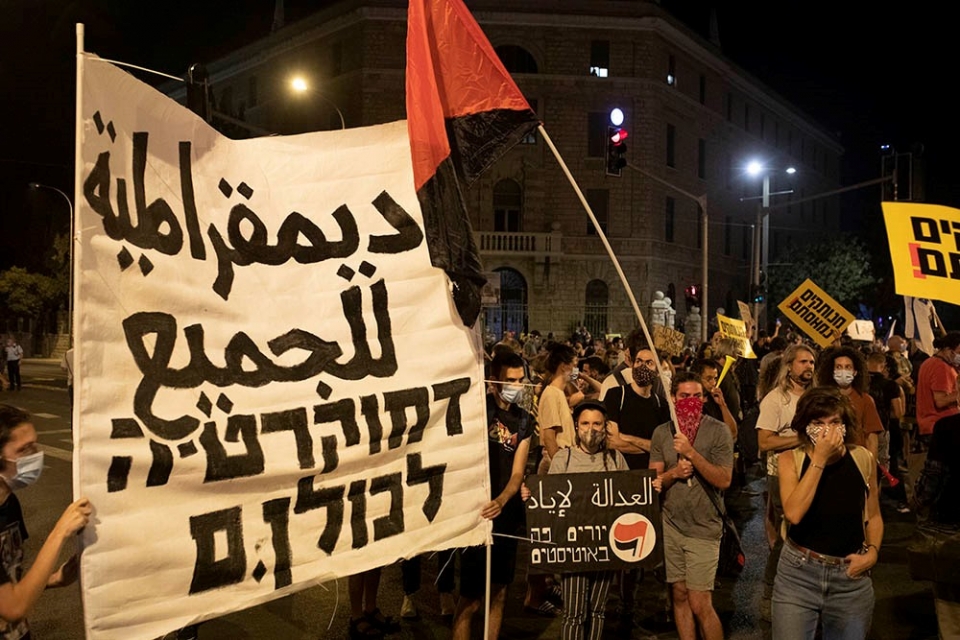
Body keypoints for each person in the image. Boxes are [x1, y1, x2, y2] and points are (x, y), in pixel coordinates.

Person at [773, 387, 882, 640]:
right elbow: (794, 513)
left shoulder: (861, 458)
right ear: (805, 425)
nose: (827, 430)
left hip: (849, 579)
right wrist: (819, 459)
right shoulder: (790, 459)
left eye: (834, 422)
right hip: (799, 575)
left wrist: (873, 554)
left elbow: (873, 516)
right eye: (818, 423)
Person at [453, 352, 534, 638]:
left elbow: (517, 473)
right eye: (510, 380)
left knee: (499, 592)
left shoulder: (524, 420)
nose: (517, 385)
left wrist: (503, 499)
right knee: (470, 598)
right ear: (495, 381)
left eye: (521, 380)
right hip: (475, 512)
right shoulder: (476, 410)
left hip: (505, 516)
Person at [650, 371, 734, 640]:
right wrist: (674, 473)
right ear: (673, 398)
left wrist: (691, 453)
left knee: (700, 602)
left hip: (704, 528)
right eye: (684, 396)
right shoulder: (661, 433)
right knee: (680, 595)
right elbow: (654, 482)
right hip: (671, 525)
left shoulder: (718, 431)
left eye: (697, 396)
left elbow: (724, 479)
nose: (691, 401)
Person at [0, 404, 93, 636]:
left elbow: (10, 584)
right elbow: (13, 607)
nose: (34, 456)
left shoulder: (10, 504)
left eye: (35, 445)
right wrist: (59, 532)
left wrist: (52, 580)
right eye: (24, 449)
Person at [602, 338, 670, 631]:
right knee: (622, 547)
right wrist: (650, 446)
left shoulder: (660, 405)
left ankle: (643, 604)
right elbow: (612, 441)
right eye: (639, 361)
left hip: (653, 484)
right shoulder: (616, 396)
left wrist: (632, 442)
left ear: (658, 368)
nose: (643, 367)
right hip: (622, 482)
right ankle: (620, 604)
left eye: (649, 362)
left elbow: (664, 449)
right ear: (631, 363)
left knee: (649, 548)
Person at [548, 400, 628, 639]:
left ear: (605, 427)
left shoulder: (616, 459)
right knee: (573, 613)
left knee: (597, 610)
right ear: (576, 426)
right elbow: (548, 501)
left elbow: (630, 497)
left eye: (596, 423)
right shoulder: (564, 459)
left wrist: (649, 487)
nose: (590, 429)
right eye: (585, 423)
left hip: (605, 548)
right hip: (572, 549)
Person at [913, 412, 960, 639]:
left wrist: (919, 500)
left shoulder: (948, 427)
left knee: (950, 610)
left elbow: (934, 475)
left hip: (950, 523)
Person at [814, 346, 883, 463]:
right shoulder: (822, 399)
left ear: (855, 372)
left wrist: (871, 467)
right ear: (832, 371)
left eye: (848, 367)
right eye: (838, 367)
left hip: (856, 460)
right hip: (828, 459)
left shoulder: (865, 400)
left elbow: (872, 439)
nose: (843, 371)